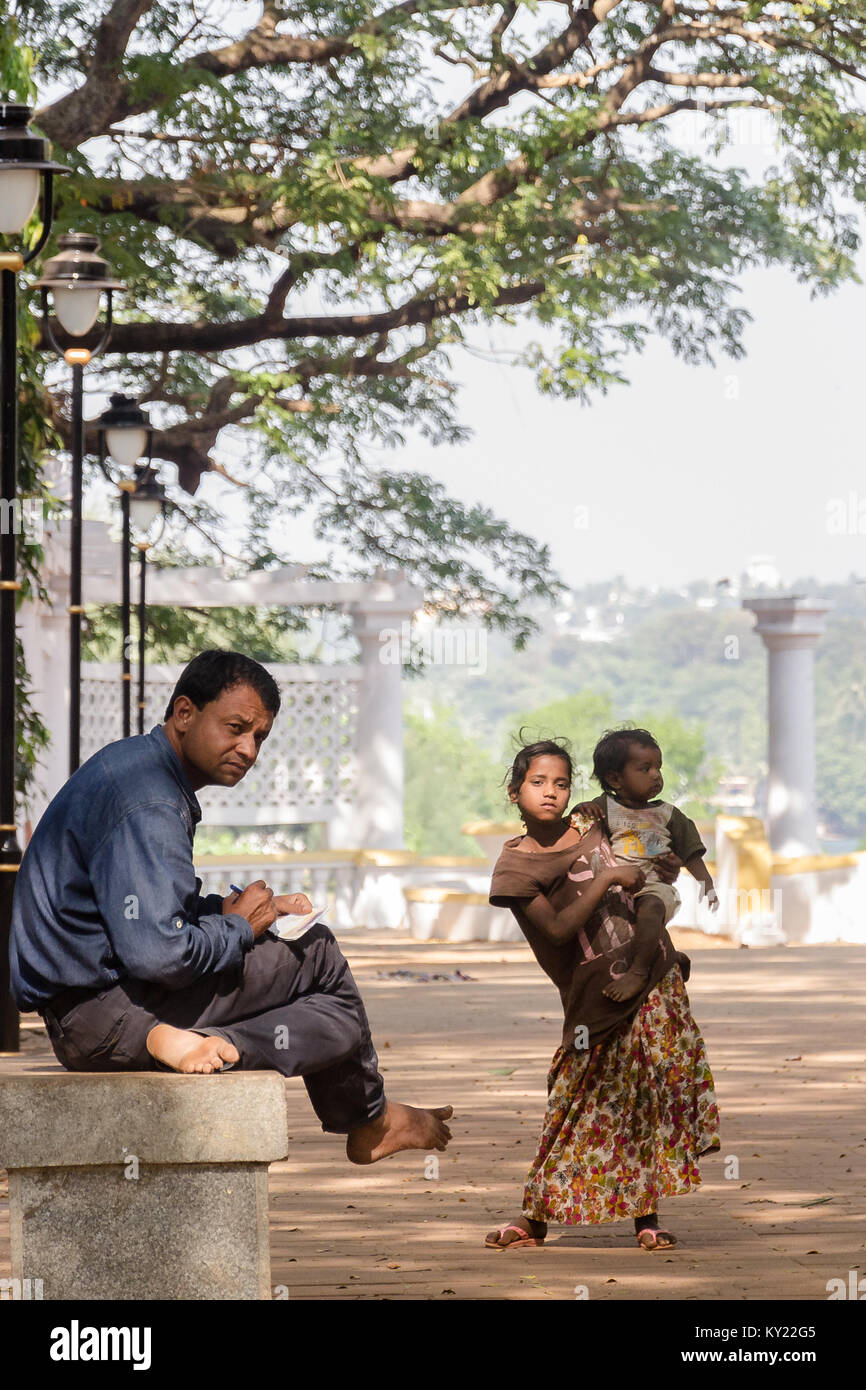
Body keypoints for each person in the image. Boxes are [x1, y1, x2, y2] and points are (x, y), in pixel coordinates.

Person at [10, 649, 452, 1166]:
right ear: (184, 713)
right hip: (105, 1017)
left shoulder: (134, 767)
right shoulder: (151, 801)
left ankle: (197, 1044)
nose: (247, 749)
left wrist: (232, 910)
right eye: (236, 727)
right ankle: (364, 1117)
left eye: (259, 737)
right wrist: (240, 928)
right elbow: (159, 955)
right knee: (317, 956)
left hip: (87, 1014)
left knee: (324, 1001)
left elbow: (141, 910)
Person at [484, 738, 719, 1251]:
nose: (551, 792)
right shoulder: (515, 868)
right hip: (594, 997)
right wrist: (609, 874)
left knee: (641, 1101)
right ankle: (535, 1217)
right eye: (538, 782)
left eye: (562, 783)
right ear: (514, 791)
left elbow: (650, 864)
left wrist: (672, 883)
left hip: (651, 977)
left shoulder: (594, 826)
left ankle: (646, 1219)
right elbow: (560, 929)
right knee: (572, 1103)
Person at [570, 726, 719, 1002]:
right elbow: (579, 832)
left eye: (658, 768)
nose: (656, 775)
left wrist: (706, 883)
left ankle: (637, 973)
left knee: (649, 910)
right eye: (645, 768)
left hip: (654, 888)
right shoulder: (602, 807)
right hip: (615, 888)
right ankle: (670, 958)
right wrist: (581, 809)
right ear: (615, 778)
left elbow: (691, 853)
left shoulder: (668, 815)